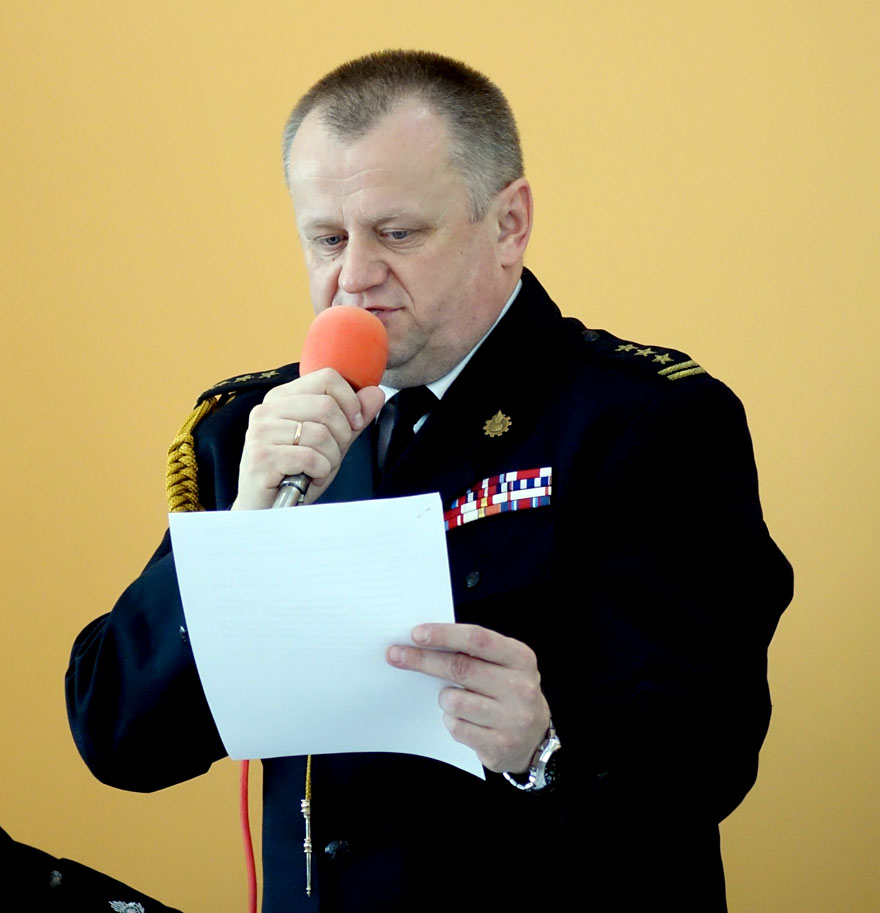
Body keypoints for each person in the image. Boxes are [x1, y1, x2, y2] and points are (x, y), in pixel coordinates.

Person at [66, 50, 793, 912]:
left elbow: (710, 751)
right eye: (327, 239)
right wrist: (238, 533)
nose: (354, 276)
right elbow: (120, 737)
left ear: (509, 224)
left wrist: (546, 747)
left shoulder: (644, 419)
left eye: (398, 233)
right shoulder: (254, 432)